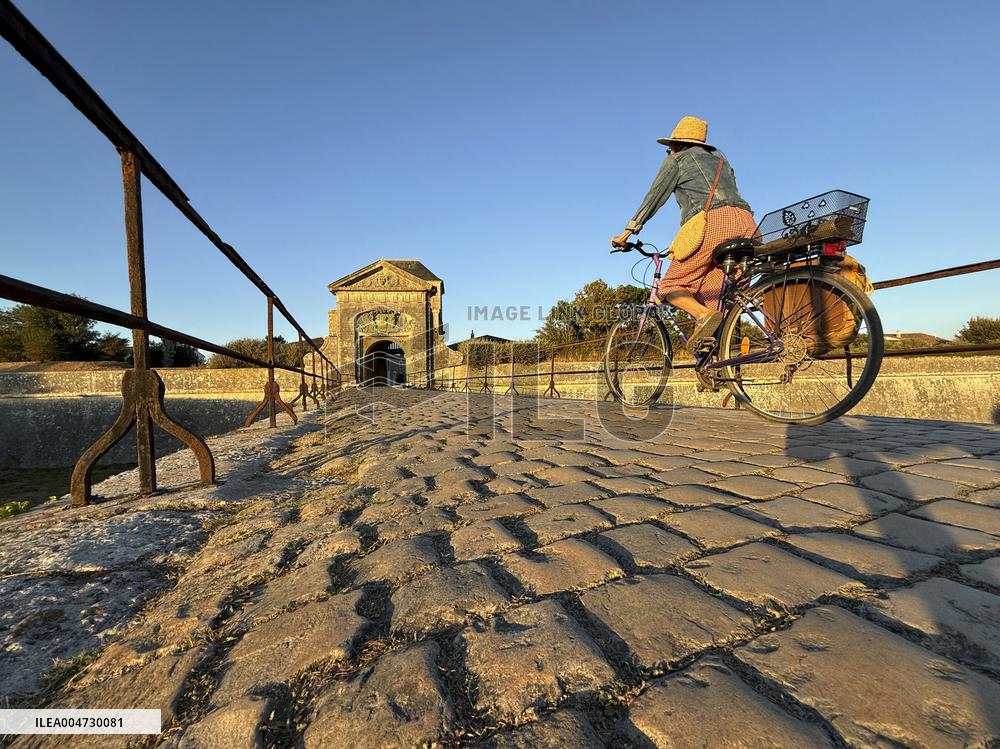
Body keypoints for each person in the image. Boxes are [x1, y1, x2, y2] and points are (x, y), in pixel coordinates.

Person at [612, 115, 756, 350]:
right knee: (715, 300)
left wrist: (629, 230)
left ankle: (702, 316)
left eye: (669, 147)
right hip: (747, 223)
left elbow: (654, 196)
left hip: (714, 223)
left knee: (670, 286)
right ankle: (720, 366)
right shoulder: (720, 160)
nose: (668, 151)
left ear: (677, 144)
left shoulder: (678, 160)